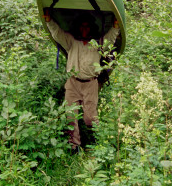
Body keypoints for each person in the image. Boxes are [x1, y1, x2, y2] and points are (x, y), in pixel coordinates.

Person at [43, 9, 120, 153]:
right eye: (82, 26)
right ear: (78, 27)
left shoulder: (98, 43)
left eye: (87, 26)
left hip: (90, 84)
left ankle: (99, 143)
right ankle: (74, 146)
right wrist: (48, 21)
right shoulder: (71, 41)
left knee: (90, 118)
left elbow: (111, 37)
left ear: (91, 27)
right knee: (70, 116)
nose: (84, 29)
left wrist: (116, 26)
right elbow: (57, 33)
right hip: (73, 83)